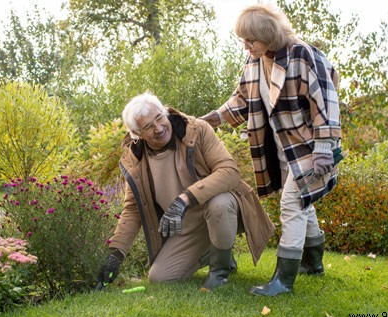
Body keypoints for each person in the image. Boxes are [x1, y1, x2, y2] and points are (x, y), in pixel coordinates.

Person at [199, 4, 342, 296]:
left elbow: (325, 102)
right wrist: (212, 119)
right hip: (282, 147)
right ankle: (313, 263)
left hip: (311, 147)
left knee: (292, 202)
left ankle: (283, 281)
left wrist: (325, 149)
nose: (245, 46)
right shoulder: (254, 62)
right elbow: (241, 100)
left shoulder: (302, 54)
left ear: (268, 34)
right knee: (303, 201)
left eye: (250, 39)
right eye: (242, 40)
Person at [96, 92, 274, 292]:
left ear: (164, 112)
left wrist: (184, 199)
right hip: (188, 227)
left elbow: (229, 172)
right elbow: (132, 209)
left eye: (159, 117)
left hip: (220, 210)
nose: (159, 128)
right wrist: (116, 253)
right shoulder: (135, 159)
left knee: (220, 203)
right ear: (137, 134)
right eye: (148, 127)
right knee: (159, 277)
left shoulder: (197, 130)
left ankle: (220, 272)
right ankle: (212, 250)